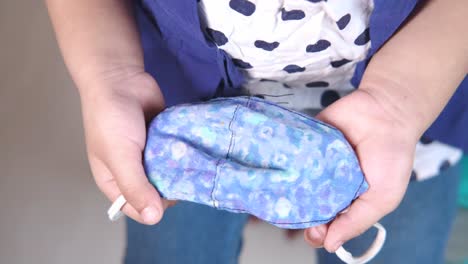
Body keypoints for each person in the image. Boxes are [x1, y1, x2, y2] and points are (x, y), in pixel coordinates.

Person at [45, 0, 468, 263]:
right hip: (178, 109)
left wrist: (398, 101)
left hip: (413, 120)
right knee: (175, 252)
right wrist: (110, 74)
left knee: (402, 250)